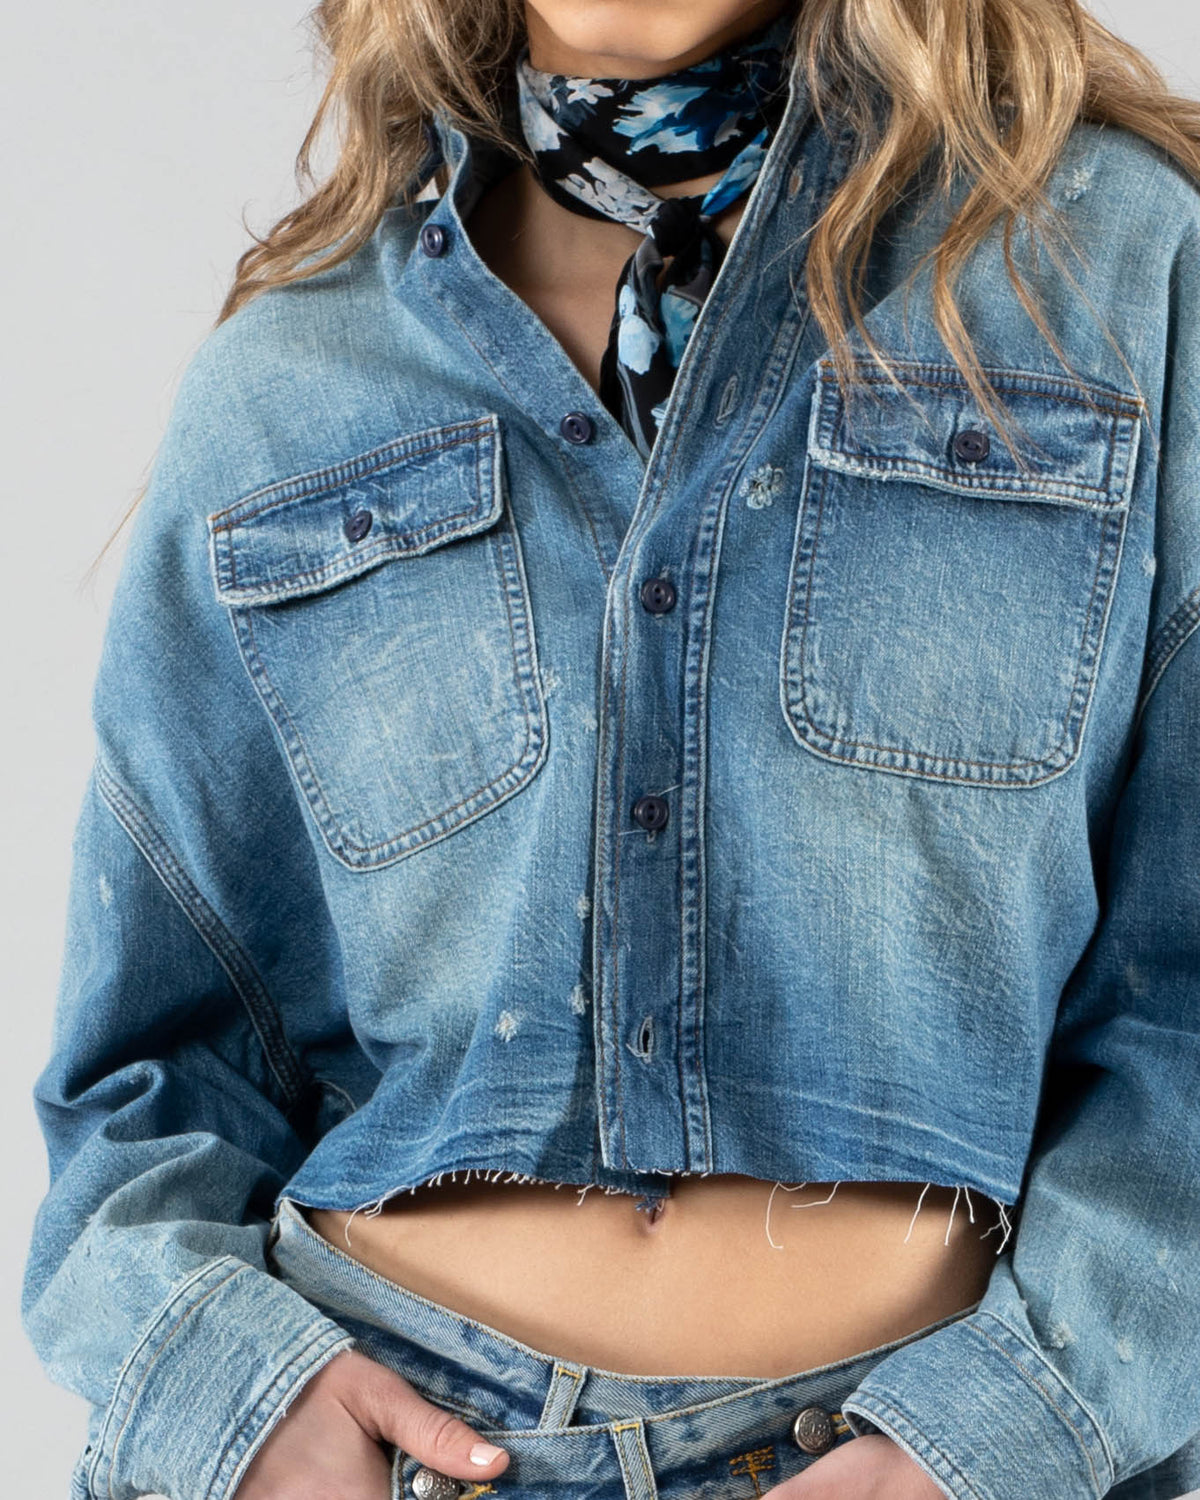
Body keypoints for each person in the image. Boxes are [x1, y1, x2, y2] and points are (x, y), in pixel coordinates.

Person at [20, 0, 1200, 1495]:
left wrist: (992, 1440)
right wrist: (239, 1398)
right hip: (384, 1439)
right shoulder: (292, 378)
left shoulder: (1108, 267)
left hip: (919, 1444)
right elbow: (154, 1070)